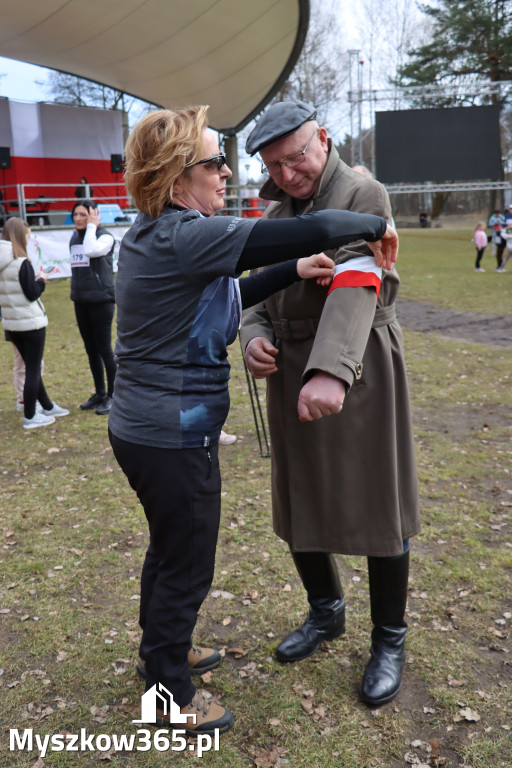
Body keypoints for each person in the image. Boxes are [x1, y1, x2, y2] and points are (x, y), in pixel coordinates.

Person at [107, 106, 398, 737]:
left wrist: (293, 272)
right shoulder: (187, 234)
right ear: (180, 174)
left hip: (144, 428)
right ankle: (167, 693)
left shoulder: (154, 234)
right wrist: (378, 222)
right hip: (172, 433)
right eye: (215, 161)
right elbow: (314, 225)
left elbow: (225, 295)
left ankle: (160, 650)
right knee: (187, 561)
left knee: (169, 548)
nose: (227, 172)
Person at [240, 100, 420, 708]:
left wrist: (329, 372)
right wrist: (253, 336)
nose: (290, 174)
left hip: (356, 364)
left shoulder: (362, 192)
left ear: (323, 137)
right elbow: (257, 291)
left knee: (377, 502)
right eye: (276, 166)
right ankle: (326, 613)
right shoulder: (271, 211)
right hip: (289, 369)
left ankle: (389, 638)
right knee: (299, 500)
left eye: (298, 158)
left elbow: (358, 274)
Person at [0, 218, 69, 428]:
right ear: (20, 235)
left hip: (12, 324)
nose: (29, 238)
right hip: (30, 324)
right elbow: (32, 293)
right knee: (33, 369)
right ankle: (30, 415)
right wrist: (40, 280)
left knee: (31, 367)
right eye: (27, 234)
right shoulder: (21, 262)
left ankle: (46, 405)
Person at [70, 199, 116, 415]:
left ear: (94, 215)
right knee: (91, 351)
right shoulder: (74, 237)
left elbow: (90, 250)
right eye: (76, 215)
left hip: (101, 301)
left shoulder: (104, 236)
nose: (78, 219)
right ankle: (100, 393)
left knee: (105, 349)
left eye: (83, 215)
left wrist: (92, 227)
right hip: (81, 302)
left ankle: (113, 396)